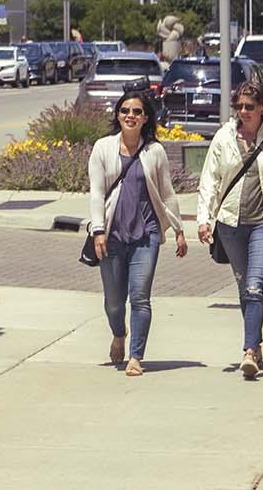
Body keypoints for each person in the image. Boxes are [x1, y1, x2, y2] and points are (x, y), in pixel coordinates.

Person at [197, 79, 263, 381]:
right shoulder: (224, 138)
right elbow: (209, 181)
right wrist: (204, 220)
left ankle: (248, 352)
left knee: (255, 286)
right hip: (230, 226)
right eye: (240, 106)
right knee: (245, 288)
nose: (243, 111)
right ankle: (256, 346)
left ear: (262, 109)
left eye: (250, 107)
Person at [87, 84, 188, 376]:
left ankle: (136, 357)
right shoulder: (103, 148)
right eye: (125, 111)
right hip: (112, 234)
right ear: (118, 115)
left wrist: (179, 229)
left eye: (137, 112)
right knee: (114, 303)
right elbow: (96, 193)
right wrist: (98, 231)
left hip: (147, 234)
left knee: (140, 297)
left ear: (146, 118)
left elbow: (167, 193)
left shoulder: (154, 151)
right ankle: (119, 334)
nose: (130, 115)